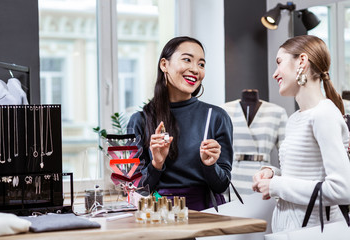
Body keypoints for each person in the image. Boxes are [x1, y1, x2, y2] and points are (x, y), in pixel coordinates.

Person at [252, 35, 350, 233]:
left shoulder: (323, 114)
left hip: (313, 231)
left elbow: (342, 189)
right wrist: (273, 174)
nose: (275, 74)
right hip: (291, 230)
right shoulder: (296, 118)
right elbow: (308, 176)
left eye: (279, 63)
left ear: (302, 62)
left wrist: (276, 186)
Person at [127, 36, 233, 211]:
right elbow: (136, 189)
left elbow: (221, 186)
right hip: (158, 215)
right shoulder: (140, 120)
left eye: (201, 64)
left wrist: (210, 165)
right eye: (187, 60)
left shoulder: (215, 117)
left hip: (206, 215)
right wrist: (156, 164)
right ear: (164, 65)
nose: (195, 69)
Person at [222, 89, 287, 198]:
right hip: (233, 176)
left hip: (261, 176)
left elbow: (287, 155)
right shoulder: (225, 110)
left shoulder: (277, 112)